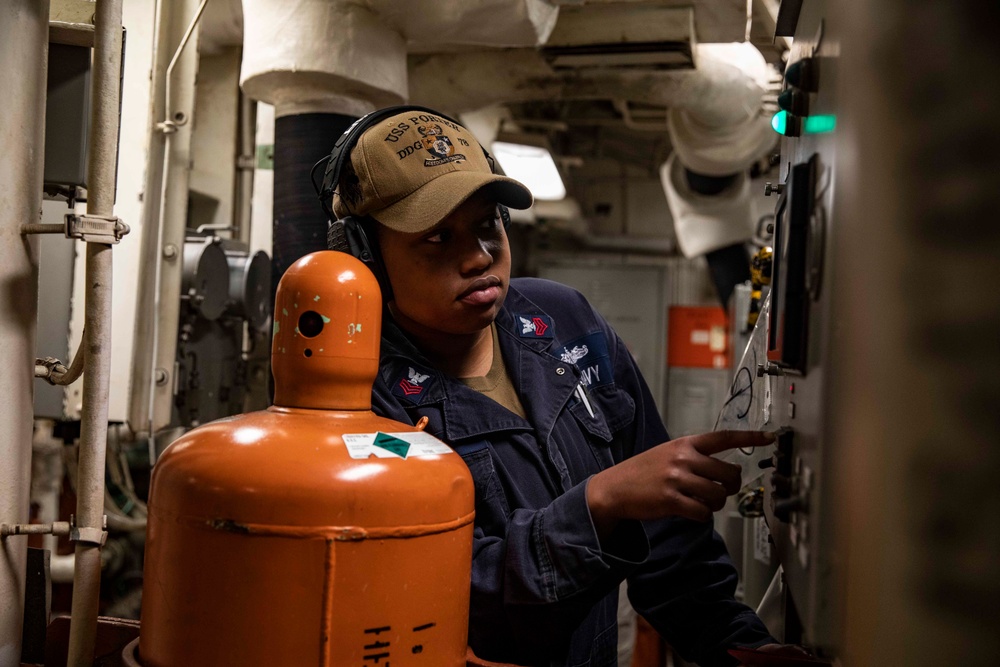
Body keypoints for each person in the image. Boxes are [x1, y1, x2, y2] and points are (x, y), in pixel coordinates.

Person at [325, 106, 778, 666]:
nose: (478, 257)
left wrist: (741, 648)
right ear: (366, 256)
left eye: (488, 224)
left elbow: (671, 550)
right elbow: (451, 600)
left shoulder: (564, 319)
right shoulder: (358, 403)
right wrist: (599, 504)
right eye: (438, 238)